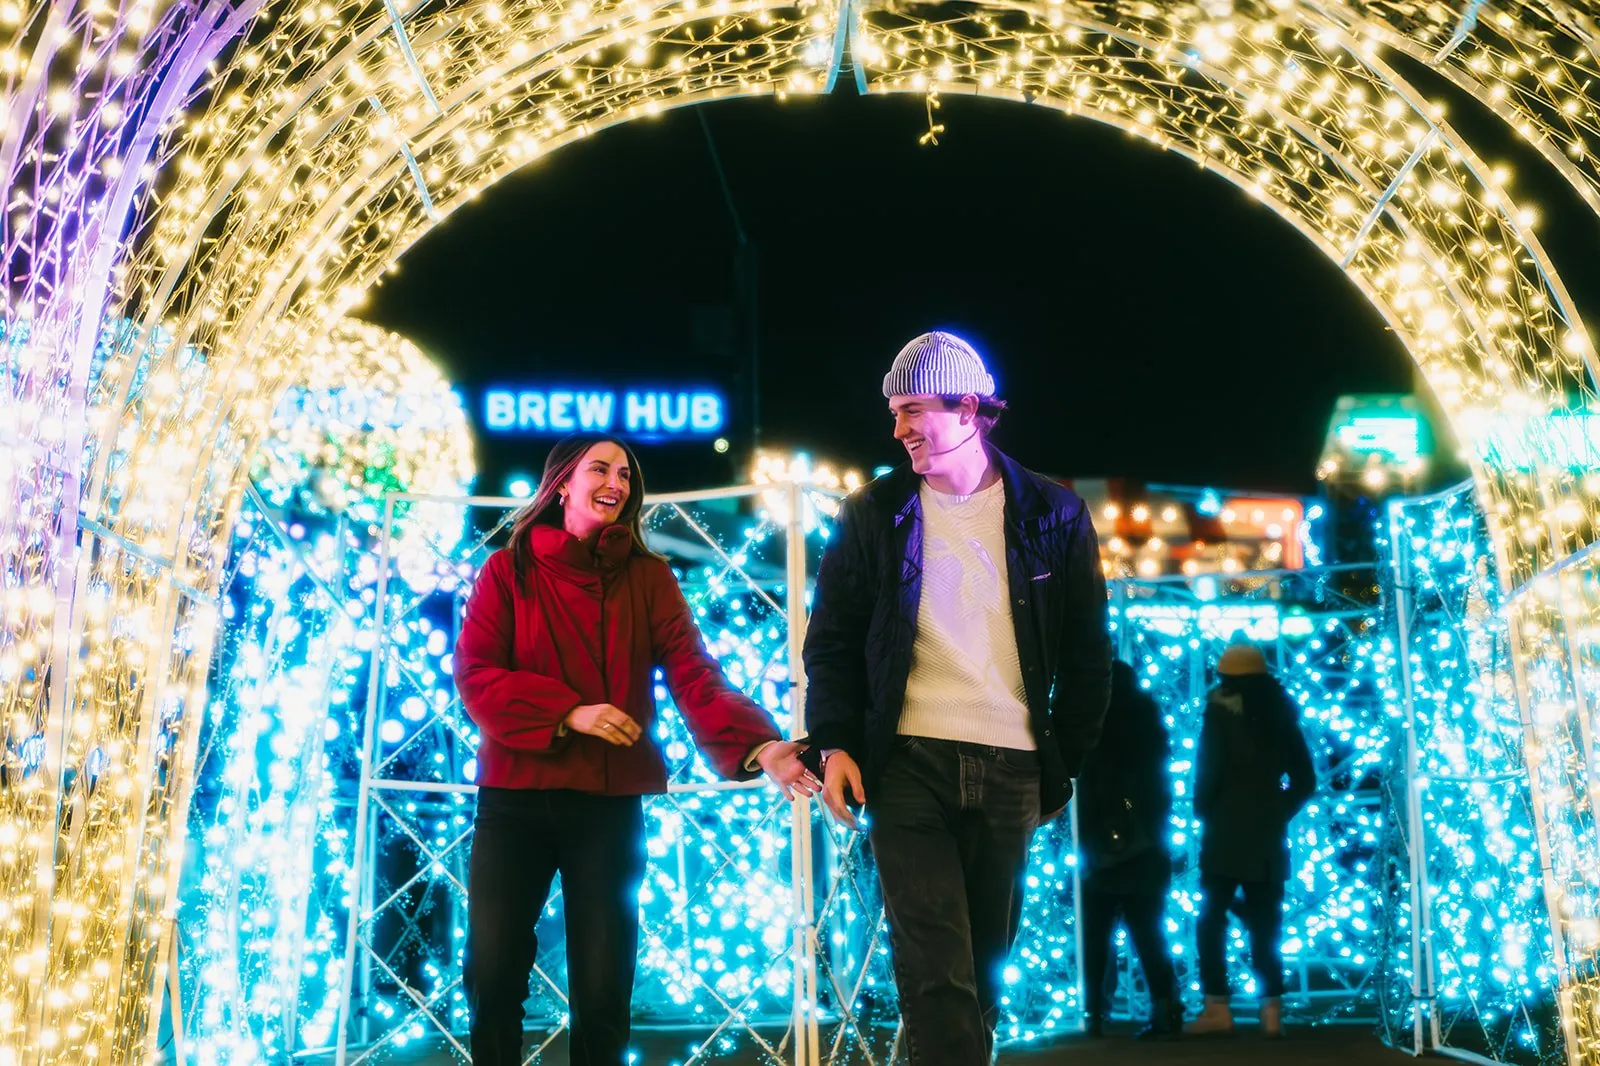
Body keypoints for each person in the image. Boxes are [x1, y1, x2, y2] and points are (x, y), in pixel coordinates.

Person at [453, 432, 820, 1066]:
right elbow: (476, 674)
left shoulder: (648, 577)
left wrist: (760, 746)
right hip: (513, 802)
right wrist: (569, 711)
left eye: (626, 473)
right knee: (493, 976)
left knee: (603, 988)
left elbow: (693, 673)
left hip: (607, 805)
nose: (616, 483)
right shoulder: (507, 568)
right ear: (562, 482)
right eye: (600, 469)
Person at [801, 331, 1113, 1065]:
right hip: (906, 763)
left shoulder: (1054, 513)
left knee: (981, 974)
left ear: (968, 408)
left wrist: (1061, 761)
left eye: (912, 409)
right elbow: (833, 643)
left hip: (1013, 765)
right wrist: (836, 743)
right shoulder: (873, 513)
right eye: (893, 412)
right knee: (934, 967)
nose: (899, 429)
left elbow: (1088, 651)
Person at [1186, 643, 1316, 1039]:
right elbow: (1305, 780)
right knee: (1266, 923)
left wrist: (1204, 809)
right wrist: (1278, 809)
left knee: (1211, 919)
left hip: (1225, 830)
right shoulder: (1281, 715)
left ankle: (1217, 1007)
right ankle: (1271, 1010)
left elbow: (1208, 768)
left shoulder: (1219, 711)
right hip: (1267, 836)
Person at [1075, 659, 1180, 1040]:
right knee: (1149, 934)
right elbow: (1154, 794)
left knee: (1095, 939)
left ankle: (1095, 1014)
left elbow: (1095, 794)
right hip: (1146, 847)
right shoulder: (1149, 731)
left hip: (1098, 849)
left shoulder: (1093, 734)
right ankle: (1165, 1006)